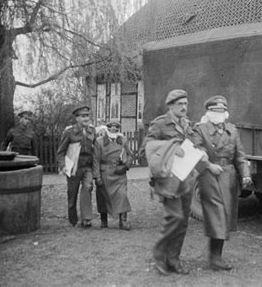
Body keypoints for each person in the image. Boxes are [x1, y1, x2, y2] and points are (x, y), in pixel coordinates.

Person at [193, 95, 252, 271]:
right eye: (215, 111)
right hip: (209, 176)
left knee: (225, 216)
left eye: (222, 110)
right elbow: (195, 152)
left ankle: (216, 255)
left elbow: (240, 155)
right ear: (209, 112)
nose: (219, 114)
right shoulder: (200, 129)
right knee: (217, 214)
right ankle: (215, 258)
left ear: (226, 112)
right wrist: (209, 165)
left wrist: (245, 174)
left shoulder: (232, 130)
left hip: (229, 178)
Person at [142, 89, 196, 276]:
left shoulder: (188, 124)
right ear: (171, 105)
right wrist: (172, 148)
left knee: (183, 223)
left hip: (185, 178)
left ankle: (174, 259)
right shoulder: (160, 124)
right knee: (175, 217)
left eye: (186, 104)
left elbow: (193, 144)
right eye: (180, 104)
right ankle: (159, 255)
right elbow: (148, 148)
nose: (184, 107)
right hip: (167, 179)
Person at [56, 105, 96, 228]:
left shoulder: (92, 131)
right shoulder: (69, 132)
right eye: (83, 116)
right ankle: (73, 220)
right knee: (72, 195)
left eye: (87, 116)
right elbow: (61, 152)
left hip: (87, 167)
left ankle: (86, 219)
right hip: (74, 167)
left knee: (88, 188)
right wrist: (63, 165)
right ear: (77, 118)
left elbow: (95, 150)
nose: (86, 118)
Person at [93, 121, 133, 230]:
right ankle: (103, 220)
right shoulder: (99, 142)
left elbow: (130, 154)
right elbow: (95, 160)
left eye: (116, 128)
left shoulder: (123, 140)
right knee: (102, 196)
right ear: (107, 129)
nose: (114, 130)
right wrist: (97, 177)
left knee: (122, 194)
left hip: (119, 172)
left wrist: (126, 166)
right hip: (105, 172)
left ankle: (123, 221)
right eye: (111, 128)